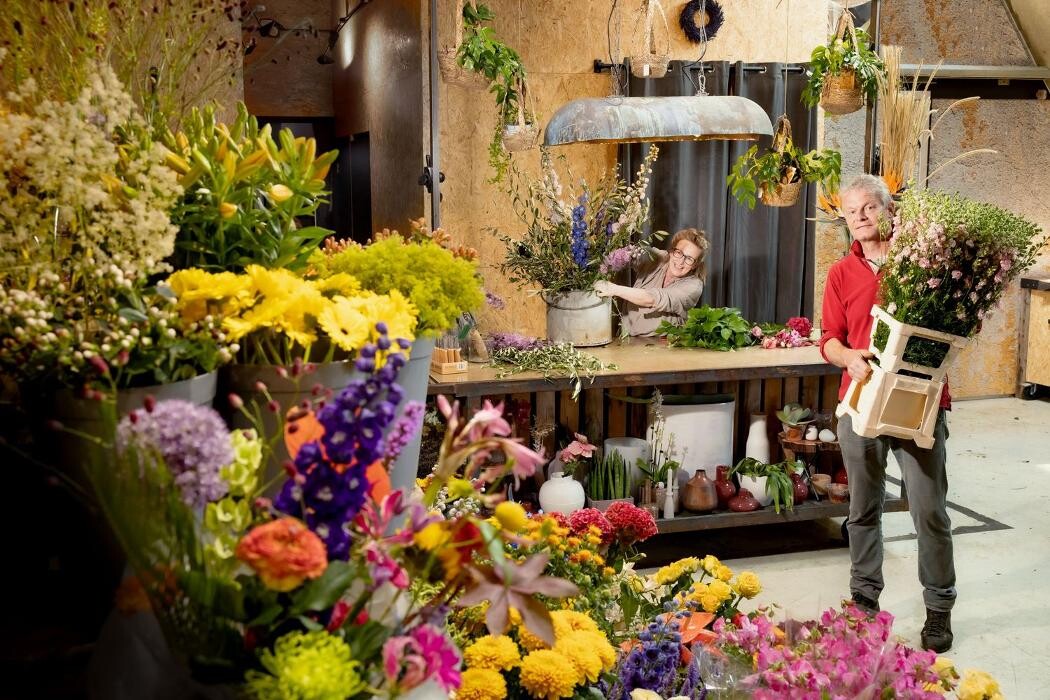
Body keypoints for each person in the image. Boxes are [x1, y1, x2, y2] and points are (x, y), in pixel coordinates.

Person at [819, 173, 955, 653]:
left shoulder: (923, 263)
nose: (858, 217)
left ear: (887, 210)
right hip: (860, 404)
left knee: (929, 510)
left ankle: (939, 609)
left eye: (867, 208)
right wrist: (848, 357)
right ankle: (863, 603)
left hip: (919, 405)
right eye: (849, 210)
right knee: (863, 510)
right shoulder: (840, 273)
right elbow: (829, 338)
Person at [593, 228, 708, 336]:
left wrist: (613, 289)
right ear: (671, 251)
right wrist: (618, 257)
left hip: (664, 345)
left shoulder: (693, 286)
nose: (681, 262)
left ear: (695, 265)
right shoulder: (657, 257)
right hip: (626, 339)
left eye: (689, 259)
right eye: (679, 253)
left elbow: (652, 299)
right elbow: (633, 254)